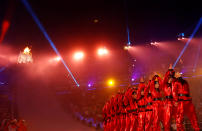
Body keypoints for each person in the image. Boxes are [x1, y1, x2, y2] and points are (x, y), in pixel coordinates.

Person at [162, 64, 177, 131]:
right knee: (167, 120)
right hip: (167, 103)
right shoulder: (164, 85)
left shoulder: (173, 85)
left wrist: (172, 70)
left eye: (172, 78)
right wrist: (169, 70)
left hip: (173, 102)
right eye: (170, 78)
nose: (171, 79)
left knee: (176, 119)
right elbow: (165, 77)